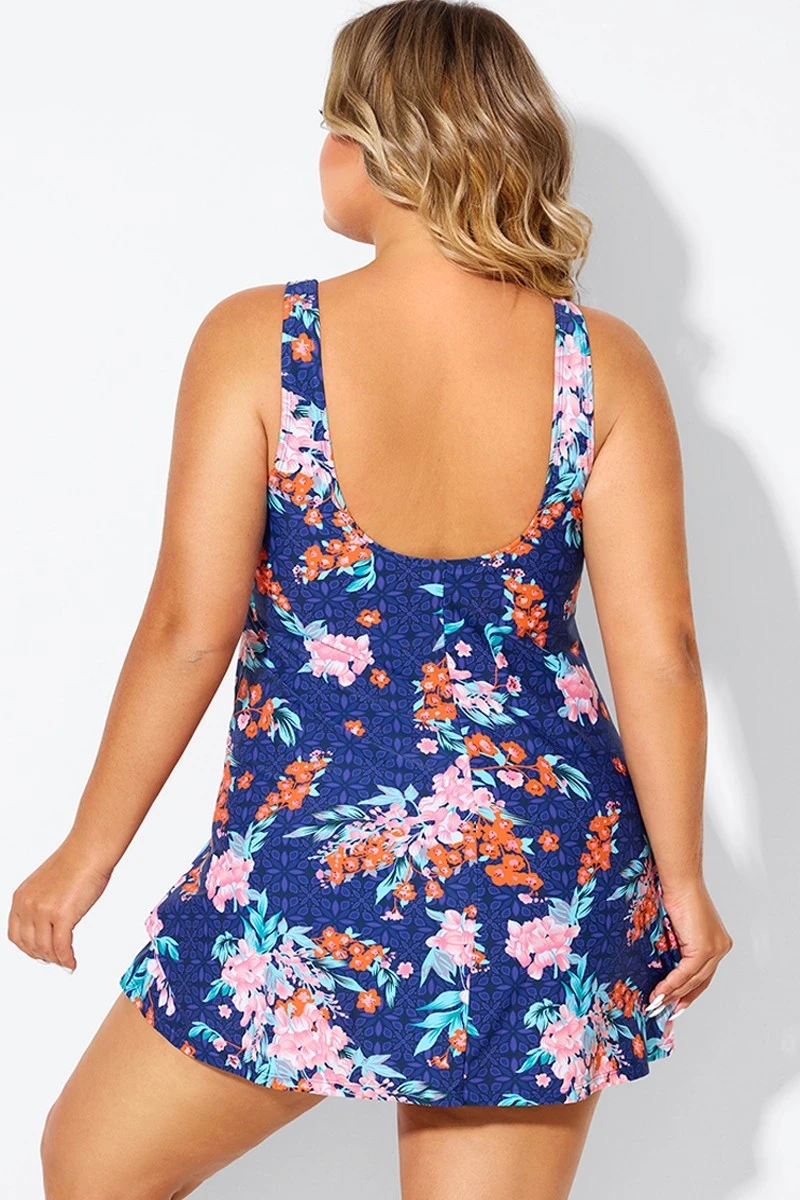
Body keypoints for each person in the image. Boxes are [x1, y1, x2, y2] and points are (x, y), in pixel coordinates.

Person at [7, 2, 733, 1198]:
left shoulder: (259, 339)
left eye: (329, 127)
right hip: (539, 875)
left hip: (312, 866)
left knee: (92, 1169)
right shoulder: (598, 362)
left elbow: (190, 629)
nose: (321, 153)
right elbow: (661, 652)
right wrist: (685, 883)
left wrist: (86, 856)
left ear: (377, 147)